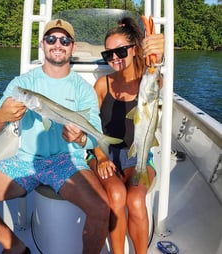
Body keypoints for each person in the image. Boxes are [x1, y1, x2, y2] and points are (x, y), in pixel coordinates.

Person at [0, 19, 110, 254]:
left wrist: (79, 139)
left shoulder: (83, 89)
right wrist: (0, 115)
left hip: (67, 162)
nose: (58, 44)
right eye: (51, 39)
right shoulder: (23, 83)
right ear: (42, 44)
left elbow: (93, 139)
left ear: (72, 47)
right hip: (26, 161)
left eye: (64, 40)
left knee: (101, 209)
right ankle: (16, 247)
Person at [87, 16, 164, 254]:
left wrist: (158, 54)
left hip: (137, 154)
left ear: (134, 50)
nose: (115, 58)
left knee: (136, 200)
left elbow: (157, 72)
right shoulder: (102, 85)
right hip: (104, 153)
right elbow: (90, 126)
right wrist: (100, 157)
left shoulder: (149, 81)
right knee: (117, 194)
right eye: (108, 54)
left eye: (120, 51)